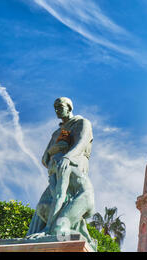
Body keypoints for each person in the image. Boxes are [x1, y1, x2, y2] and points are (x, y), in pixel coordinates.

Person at [26, 97, 95, 248]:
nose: (57, 110)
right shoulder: (56, 133)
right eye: (55, 107)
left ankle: (53, 233)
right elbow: (45, 158)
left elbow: (81, 143)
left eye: (60, 106)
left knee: (58, 226)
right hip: (59, 170)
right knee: (42, 208)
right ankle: (42, 235)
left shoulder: (81, 123)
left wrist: (67, 157)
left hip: (73, 165)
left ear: (69, 107)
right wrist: (54, 151)